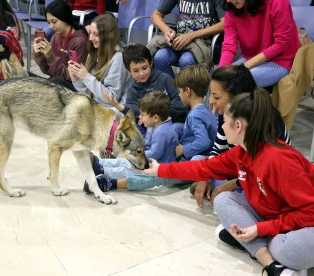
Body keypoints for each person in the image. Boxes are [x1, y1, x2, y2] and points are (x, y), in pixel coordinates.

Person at [144, 88, 314, 276]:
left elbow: (310, 213)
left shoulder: (278, 160)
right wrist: (160, 169)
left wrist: (261, 228)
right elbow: (204, 167)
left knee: (284, 249)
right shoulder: (241, 153)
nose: (222, 127)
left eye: (224, 121)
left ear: (238, 126)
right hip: (279, 217)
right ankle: (273, 265)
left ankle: (263, 246)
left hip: (306, 221)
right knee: (223, 200)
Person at [89, 64, 217, 192]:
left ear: (187, 91)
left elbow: (203, 141)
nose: (178, 95)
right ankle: (101, 165)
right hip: (188, 158)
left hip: (189, 160)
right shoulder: (202, 111)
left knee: (145, 173)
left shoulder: (195, 115)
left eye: (179, 91)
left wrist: (184, 149)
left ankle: (107, 175)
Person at [191, 64, 291, 209]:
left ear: (236, 96)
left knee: (224, 200)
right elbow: (218, 149)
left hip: (261, 184)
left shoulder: (267, 122)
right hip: (238, 171)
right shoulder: (225, 113)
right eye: (211, 94)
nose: (211, 102)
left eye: (216, 96)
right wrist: (205, 175)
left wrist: (235, 183)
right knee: (197, 161)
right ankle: (218, 189)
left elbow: (266, 175)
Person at [83, 91, 180, 193]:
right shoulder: (157, 126)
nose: (140, 117)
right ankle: (98, 163)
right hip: (149, 161)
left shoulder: (162, 132)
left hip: (157, 166)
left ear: (155, 118)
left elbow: (155, 153)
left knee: (128, 168)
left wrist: (136, 155)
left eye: (143, 115)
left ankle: (103, 170)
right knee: (125, 161)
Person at [103, 43, 187, 137]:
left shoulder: (165, 79)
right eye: (136, 71)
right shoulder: (132, 89)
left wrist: (156, 113)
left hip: (171, 125)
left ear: (150, 63)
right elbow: (133, 112)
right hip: (146, 128)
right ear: (128, 71)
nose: (141, 73)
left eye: (144, 67)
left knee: (173, 129)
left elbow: (180, 104)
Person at [219, 0, 299, 87]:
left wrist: (244, 67)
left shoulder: (277, 2)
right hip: (251, 57)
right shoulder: (232, 9)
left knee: (233, 82)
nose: (228, 1)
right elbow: (229, 46)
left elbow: (281, 43)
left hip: (281, 60)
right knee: (218, 79)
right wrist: (220, 72)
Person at [67, 14, 130, 111]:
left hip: (112, 113)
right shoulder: (92, 54)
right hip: (95, 107)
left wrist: (86, 77)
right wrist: (76, 79)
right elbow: (89, 94)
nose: (90, 38)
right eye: (90, 33)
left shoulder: (118, 58)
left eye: (96, 34)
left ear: (107, 36)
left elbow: (111, 99)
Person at [149, 0, 225, 78]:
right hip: (179, 40)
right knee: (160, 57)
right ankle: (172, 89)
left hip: (204, 43)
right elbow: (156, 15)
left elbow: (225, 23)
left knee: (186, 60)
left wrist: (192, 35)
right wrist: (166, 30)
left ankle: (189, 90)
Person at [33, 0, 87, 90]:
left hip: (73, 88)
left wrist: (50, 57)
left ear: (65, 18)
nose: (51, 26)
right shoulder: (55, 37)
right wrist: (39, 54)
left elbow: (71, 76)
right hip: (57, 83)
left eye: (54, 22)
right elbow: (48, 71)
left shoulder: (79, 42)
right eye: (49, 22)